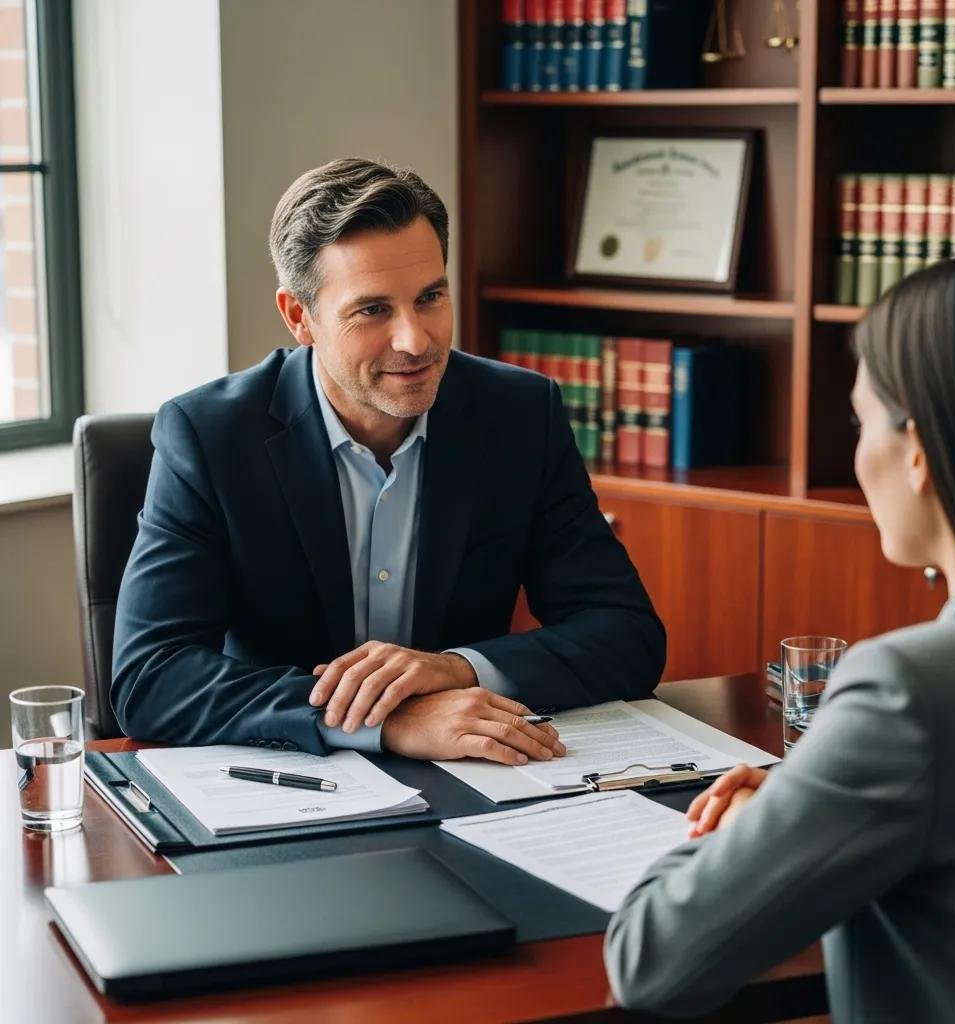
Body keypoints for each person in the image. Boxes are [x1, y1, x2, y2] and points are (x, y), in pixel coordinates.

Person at [111, 158, 665, 763]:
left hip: (473, 777)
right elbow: (151, 676)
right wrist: (384, 721)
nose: (415, 340)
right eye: (373, 310)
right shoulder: (209, 436)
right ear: (300, 317)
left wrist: (455, 671)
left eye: (430, 297)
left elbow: (627, 635)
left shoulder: (519, 414)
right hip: (285, 787)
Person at [604, 247, 955, 1023]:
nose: (857, 452)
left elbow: (652, 960)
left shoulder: (912, 690)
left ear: (919, 452)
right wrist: (821, 801)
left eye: (861, 420)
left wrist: (770, 827)